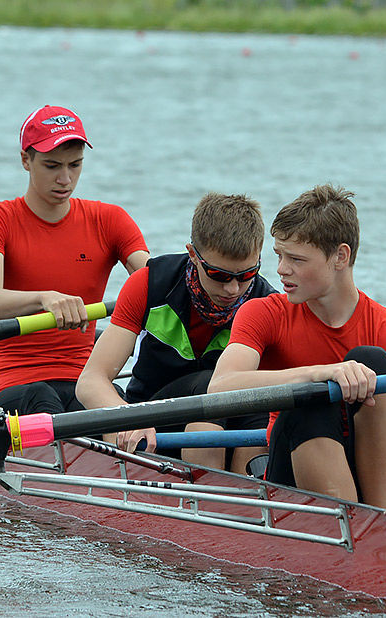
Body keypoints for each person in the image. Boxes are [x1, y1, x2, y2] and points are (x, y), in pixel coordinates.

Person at [207, 184, 386, 508]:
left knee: (372, 360)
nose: (281, 270)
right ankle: (356, 528)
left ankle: (382, 523)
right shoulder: (263, 313)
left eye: (296, 259)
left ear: (340, 257)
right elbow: (219, 388)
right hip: (293, 471)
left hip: (379, 486)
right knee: (311, 401)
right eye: (279, 256)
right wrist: (320, 373)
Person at [76, 192, 276, 473]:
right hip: (150, 425)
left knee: (258, 398)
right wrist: (128, 417)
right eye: (219, 275)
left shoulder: (269, 304)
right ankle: (207, 498)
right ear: (193, 254)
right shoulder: (149, 283)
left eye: (246, 275)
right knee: (213, 387)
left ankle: (251, 496)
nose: (232, 289)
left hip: (231, 428)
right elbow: (90, 381)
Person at [0, 105, 150, 415]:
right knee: (43, 399)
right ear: (25, 160)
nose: (65, 179)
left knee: (118, 409)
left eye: (75, 165)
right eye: (52, 166)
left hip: (85, 379)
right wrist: (44, 299)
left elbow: (156, 279)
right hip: (15, 381)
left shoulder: (110, 220)